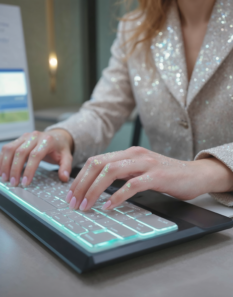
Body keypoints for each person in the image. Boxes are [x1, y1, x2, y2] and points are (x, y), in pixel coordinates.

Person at [1, 0, 233, 212]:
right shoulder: (135, 27)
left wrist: (206, 172)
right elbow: (102, 112)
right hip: (167, 211)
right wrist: (64, 136)